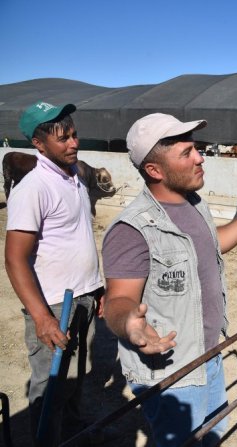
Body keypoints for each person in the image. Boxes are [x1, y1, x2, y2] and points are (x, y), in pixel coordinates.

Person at [101, 113, 237, 446]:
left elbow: (210, 244)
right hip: (173, 371)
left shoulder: (193, 203)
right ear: (155, 170)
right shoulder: (131, 230)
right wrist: (130, 324)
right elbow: (118, 301)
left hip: (210, 353)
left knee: (212, 436)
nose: (200, 157)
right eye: (187, 153)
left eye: (197, 149)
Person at [5, 102, 105, 446]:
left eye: (75, 135)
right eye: (63, 138)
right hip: (52, 306)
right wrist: (41, 318)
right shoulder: (33, 188)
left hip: (83, 298)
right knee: (50, 387)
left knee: (75, 379)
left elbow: (77, 236)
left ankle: (74, 435)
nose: (74, 143)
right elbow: (15, 260)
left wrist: (97, 289)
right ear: (38, 144)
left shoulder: (75, 177)